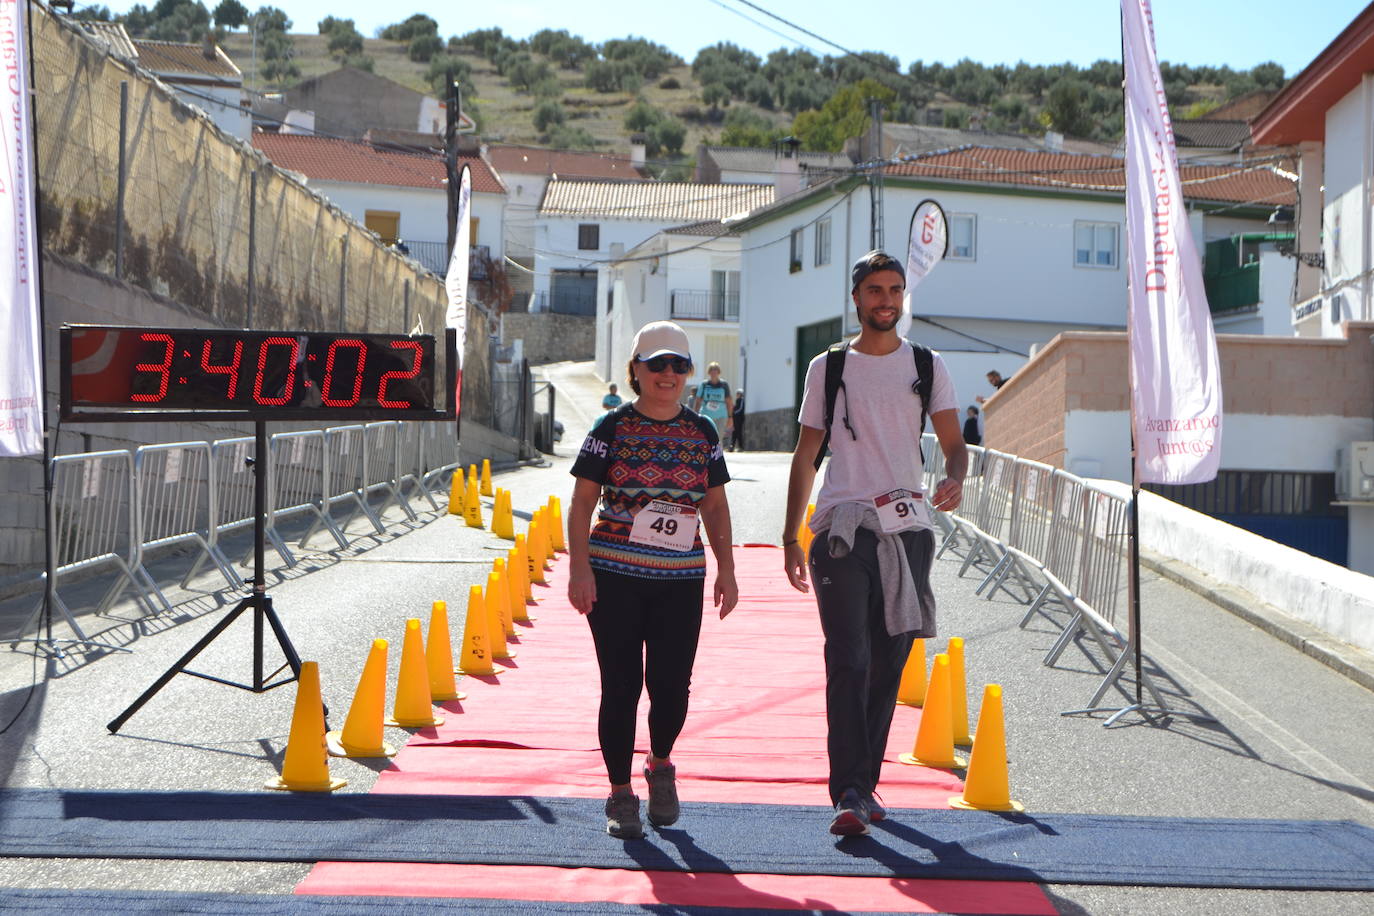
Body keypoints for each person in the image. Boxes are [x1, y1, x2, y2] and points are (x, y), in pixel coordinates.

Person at [782, 250, 967, 837]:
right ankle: (850, 790)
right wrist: (790, 533)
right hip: (841, 528)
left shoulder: (927, 365)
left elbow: (953, 442)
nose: (886, 300)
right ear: (857, 297)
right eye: (875, 291)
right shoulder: (829, 367)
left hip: (907, 531)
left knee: (888, 662)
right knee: (849, 658)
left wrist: (955, 475)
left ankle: (865, 781)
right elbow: (806, 454)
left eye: (895, 290)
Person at [568, 320, 739, 840]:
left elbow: (715, 504)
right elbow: (581, 504)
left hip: (679, 579)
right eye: (657, 364)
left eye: (678, 365)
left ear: (688, 374)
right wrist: (578, 568)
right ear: (636, 370)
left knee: (672, 688)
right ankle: (621, 794)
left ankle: (660, 764)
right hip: (614, 576)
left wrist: (728, 570)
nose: (668, 374)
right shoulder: (611, 429)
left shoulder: (702, 432)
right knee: (619, 688)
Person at [690, 362, 734, 442]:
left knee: (718, 439)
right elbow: (698, 401)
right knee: (706, 438)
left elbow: (729, 401)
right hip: (706, 416)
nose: (714, 372)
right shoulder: (704, 384)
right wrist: (695, 416)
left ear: (719, 372)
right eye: (712, 370)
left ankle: (717, 454)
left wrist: (730, 417)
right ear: (709, 372)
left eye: (715, 370)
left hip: (721, 416)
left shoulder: (724, 385)